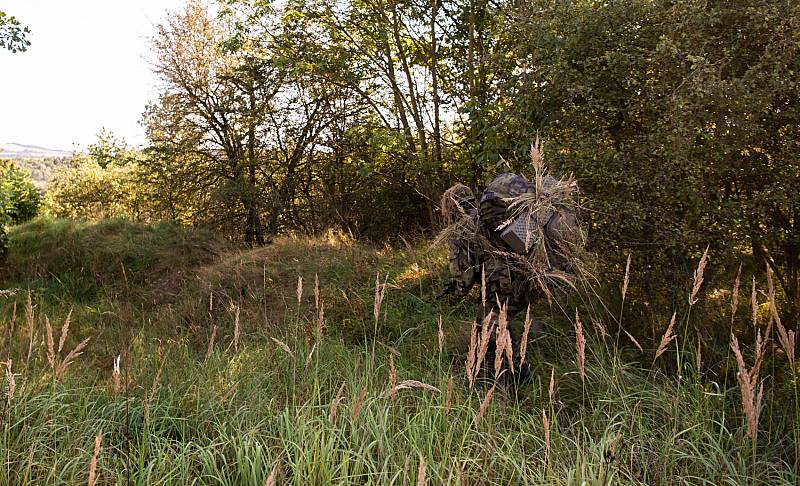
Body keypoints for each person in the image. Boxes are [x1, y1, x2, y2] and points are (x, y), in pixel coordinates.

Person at [439, 172, 581, 384]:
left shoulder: (462, 230)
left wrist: (455, 292)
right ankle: (518, 373)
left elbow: (464, 278)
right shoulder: (492, 215)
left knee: (486, 330)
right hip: (526, 279)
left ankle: (493, 383)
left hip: (503, 284)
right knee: (499, 325)